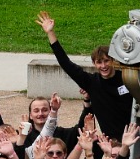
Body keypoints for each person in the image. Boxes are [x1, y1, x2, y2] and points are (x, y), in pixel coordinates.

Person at [36, 11, 132, 139]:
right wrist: (50, 33)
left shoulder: (127, 78)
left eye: (106, 61)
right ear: (94, 64)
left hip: (132, 137)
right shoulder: (91, 82)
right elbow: (66, 63)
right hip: (110, 142)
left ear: (113, 60)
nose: (103, 66)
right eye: (99, 62)